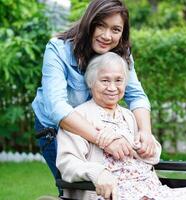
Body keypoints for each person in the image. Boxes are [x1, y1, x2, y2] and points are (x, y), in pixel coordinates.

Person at [57, 52, 186, 200]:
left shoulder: (128, 116)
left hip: (152, 190)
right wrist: (98, 173)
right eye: (105, 80)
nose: (112, 87)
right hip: (114, 192)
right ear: (91, 82)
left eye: (118, 80)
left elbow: (153, 156)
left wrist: (147, 147)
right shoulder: (78, 118)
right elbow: (68, 163)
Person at [32, 0, 155, 187]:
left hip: (99, 127)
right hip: (56, 130)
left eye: (115, 30)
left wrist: (145, 132)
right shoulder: (58, 49)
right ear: (89, 23)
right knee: (76, 188)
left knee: (113, 183)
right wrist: (104, 140)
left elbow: (136, 95)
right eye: (101, 26)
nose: (107, 36)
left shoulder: (122, 53)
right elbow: (57, 108)